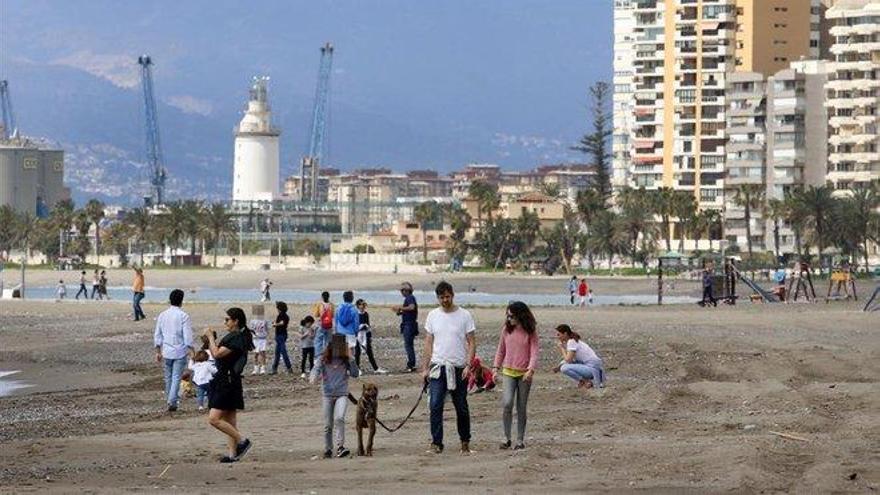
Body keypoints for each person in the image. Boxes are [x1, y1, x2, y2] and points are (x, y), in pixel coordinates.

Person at [421, 281, 476, 454]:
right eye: (441, 297)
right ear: (437, 298)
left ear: (452, 295)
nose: (445, 300)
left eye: (447, 296)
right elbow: (428, 342)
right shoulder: (432, 315)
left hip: (459, 367)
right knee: (435, 404)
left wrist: (469, 364)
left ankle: (465, 440)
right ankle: (437, 442)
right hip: (438, 366)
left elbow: (472, 341)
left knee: (461, 406)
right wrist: (425, 367)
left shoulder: (464, 315)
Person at [203, 307, 254, 463]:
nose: (225, 322)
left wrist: (211, 338)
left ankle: (242, 441)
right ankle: (233, 454)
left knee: (214, 419)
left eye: (227, 319)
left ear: (235, 321)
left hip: (227, 381)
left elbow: (217, 353)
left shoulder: (237, 338)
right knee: (230, 420)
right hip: (230, 380)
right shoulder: (237, 336)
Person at [492, 301, 540, 450]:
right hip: (508, 371)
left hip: (525, 374)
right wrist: (495, 368)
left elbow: (534, 352)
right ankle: (506, 438)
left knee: (521, 407)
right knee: (507, 404)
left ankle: (520, 440)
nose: (509, 319)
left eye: (511, 316)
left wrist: (530, 370)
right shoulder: (506, 330)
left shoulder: (530, 331)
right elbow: (501, 350)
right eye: (507, 316)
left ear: (520, 315)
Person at [310, 334, 360, 458]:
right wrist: (313, 377)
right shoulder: (324, 358)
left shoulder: (346, 359)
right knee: (328, 424)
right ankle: (328, 448)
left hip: (342, 393)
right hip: (327, 394)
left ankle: (340, 446)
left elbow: (355, 374)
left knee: (339, 418)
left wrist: (351, 358)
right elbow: (315, 369)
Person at [153, 289, 194, 412]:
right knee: (176, 377)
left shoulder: (162, 315)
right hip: (180, 350)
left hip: (167, 350)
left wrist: (158, 351)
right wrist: (192, 349)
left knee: (168, 377)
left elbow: (157, 335)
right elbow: (187, 336)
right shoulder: (184, 316)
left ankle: (170, 399)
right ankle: (172, 401)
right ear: (181, 301)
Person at [552, 324, 605, 390]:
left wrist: (562, 348)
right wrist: (558, 367)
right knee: (563, 364)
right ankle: (585, 381)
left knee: (564, 368)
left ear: (565, 334)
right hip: (593, 367)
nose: (557, 337)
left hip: (592, 368)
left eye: (558, 334)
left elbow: (568, 360)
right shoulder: (573, 340)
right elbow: (570, 360)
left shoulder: (571, 342)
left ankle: (585, 382)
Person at [391, 282, 419, 372]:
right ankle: (411, 364)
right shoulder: (409, 298)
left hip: (409, 325)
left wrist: (400, 308)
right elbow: (410, 310)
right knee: (409, 345)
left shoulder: (410, 298)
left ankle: (411, 365)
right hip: (409, 324)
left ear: (406, 291)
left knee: (408, 346)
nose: (401, 292)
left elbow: (411, 307)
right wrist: (400, 311)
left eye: (402, 290)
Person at [354, 299, 387, 374]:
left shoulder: (366, 314)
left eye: (363, 305)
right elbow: (354, 326)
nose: (362, 306)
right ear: (358, 306)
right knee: (357, 353)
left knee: (369, 352)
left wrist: (367, 331)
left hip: (366, 335)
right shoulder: (355, 314)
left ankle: (376, 368)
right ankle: (357, 369)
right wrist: (359, 327)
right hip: (358, 335)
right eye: (361, 305)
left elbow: (368, 324)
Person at [270, 301, 293, 374]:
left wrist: (275, 324)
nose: (277, 309)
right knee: (277, 352)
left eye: (277, 307)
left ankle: (289, 367)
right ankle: (275, 368)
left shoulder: (282, 315)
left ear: (280, 308)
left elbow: (282, 323)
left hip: (281, 335)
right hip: (280, 335)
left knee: (283, 351)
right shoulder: (283, 315)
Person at [335, 290, 359, 356]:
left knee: (341, 352)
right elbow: (356, 323)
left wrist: (336, 330)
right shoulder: (354, 309)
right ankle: (350, 365)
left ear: (344, 298)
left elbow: (336, 321)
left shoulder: (339, 308)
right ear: (352, 298)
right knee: (351, 352)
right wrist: (356, 332)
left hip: (340, 332)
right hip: (350, 332)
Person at [312, 292, 335, 358]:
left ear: (322, 297)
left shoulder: (319, 304)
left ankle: (318, 356)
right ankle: (328, 356)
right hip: (329, 325)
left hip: (321, 324)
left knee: (319, 341)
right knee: (328, 341)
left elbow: (316, 315)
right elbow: (333, 315)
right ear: (329, 297)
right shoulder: (331, 305)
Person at [249, 305, 269, 375]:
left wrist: (265, 335)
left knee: (263, 353)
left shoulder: (265, 321)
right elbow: (251, 330)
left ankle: (263, 368)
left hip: (262, 339)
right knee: (255, 354)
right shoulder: (252, 321)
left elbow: (267, 329)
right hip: (255, 339)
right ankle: (255, 368)